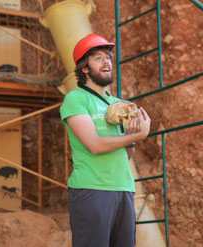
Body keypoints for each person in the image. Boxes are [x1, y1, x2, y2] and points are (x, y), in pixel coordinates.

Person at [60, 33, 151, 247]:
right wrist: (138, 135)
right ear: (84, 67)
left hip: (124, 188)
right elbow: (94, 144)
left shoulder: (118, 104)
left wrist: (132, 139)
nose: (106, 61)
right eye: (98, 58)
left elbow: (127, 153)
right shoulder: (76, 99)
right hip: (92, 189)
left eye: (108, 57)